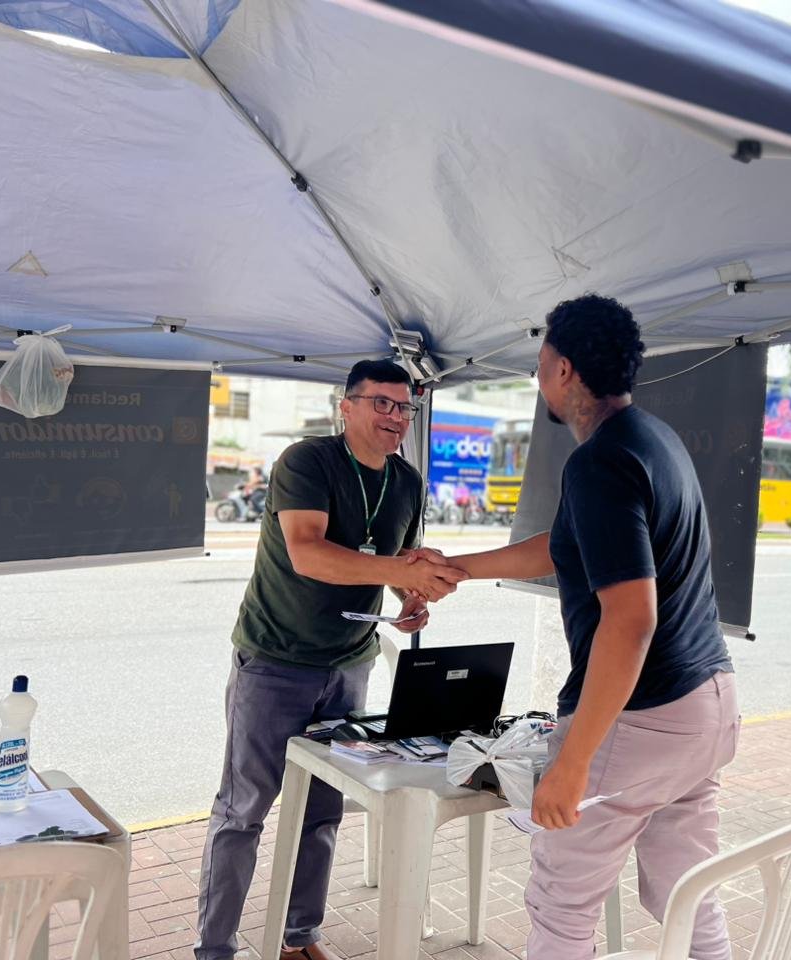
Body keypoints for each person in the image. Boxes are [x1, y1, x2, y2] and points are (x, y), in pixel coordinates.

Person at [416, 294, 739, 960]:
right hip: (707, 708)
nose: (537, 375)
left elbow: (632, 619)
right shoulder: (654, 440)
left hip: (643, 717)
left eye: (540, 361)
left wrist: (573, 761)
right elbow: (562, 546)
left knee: (560, 906)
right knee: (686, 893)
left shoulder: (600, 463)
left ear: (562, 368)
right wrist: (458, 569)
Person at [194, 359, 467, 960]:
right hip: (275, 660)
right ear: (346, 407)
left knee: (322, 808)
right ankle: (214, 948)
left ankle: (299, 937)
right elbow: (308, 553)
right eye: (381, 403)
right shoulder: (307, 461)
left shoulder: (407, 482)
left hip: (350, 665)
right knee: (244, 809)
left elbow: (397, 560)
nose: (396, 416)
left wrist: (410, 597)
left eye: (405, 406)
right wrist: (400, 570)